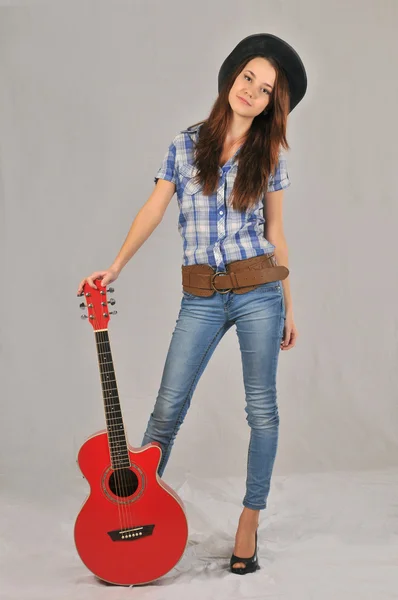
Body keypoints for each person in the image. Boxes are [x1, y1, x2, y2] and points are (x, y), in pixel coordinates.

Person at [77, 33, 307, 575]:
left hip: (258, 291)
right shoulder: (186, 144)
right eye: (247, 76)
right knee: (167, 408)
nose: (251, 90)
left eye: (265, 88)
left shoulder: (267, 154)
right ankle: (134, 513)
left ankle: (250, 517)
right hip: (201, 294)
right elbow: (153, 209)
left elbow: (276, 232)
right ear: (231, 76)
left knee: (262, 410)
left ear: (274, 103)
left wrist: (289, 307)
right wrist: (114, 267)